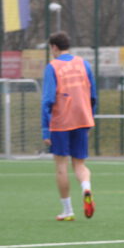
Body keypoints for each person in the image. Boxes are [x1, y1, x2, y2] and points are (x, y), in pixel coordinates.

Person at [41, 31, 97, 221]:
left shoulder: (52, 67)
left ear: (54, 47)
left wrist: (45, 129)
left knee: (61, 166)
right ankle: (86, 188)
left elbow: (48, 100)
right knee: (79, 164)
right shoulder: (84, 64)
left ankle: (68, 210)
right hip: (82, 119)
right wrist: (90, 117)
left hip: (61, 122)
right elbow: (93, 95)